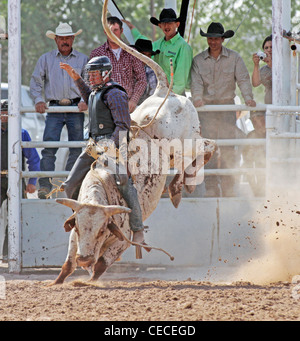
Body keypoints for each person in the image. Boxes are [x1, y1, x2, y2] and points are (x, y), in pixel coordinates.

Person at [59, 56, 147, 246]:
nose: (91, 78)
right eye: (89, 75)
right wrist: (76, 78)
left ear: (105, 73)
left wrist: (111, 148)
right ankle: (81, 218)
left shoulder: (115, 94)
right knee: (69, 186)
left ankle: (138, 228)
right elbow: (89, 96)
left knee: (123, 181)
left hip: (111, 144)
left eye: (94, 74)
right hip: (93, 146)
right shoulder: (97, 92)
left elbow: (122, 126)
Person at [191, 22, 256, 197]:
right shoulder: (198, 60)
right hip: (207, 110)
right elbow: (195, 82)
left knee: (228, 148)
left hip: (227, 108)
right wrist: (197, 97)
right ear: (207, 39)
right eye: (210, 38)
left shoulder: (234, 58)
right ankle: (212, 186)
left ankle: (228, 184)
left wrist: (248, 97)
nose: (213, 42)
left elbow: (243, 78)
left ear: (222, 39)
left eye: (216, 38)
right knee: (209, 149)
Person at [30, 23, 89, 199]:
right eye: (61, 38)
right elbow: (35, 83)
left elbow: (89, 83)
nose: (64, 41)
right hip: (54, 107)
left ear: (73, 39)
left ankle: (70, 185)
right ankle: (45, 186)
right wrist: (39, 100)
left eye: (67, 38)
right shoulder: (45, 59)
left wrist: (86, 100)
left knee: (76, 148)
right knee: (49, 147)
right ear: (56, 40)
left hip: (75, 106)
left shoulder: (83, 59)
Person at [1, 99, 40, 260]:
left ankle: (9, 253)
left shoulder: (21, 133)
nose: (4, 116)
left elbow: (33, 159)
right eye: (2, 112)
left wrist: (32, 182)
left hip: (14, 178)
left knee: (16, 216)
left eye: (6, 112)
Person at [123, 8, 193, 96]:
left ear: (177, 24)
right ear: (160, 25)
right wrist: (133, 29)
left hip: (175, 96)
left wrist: (168, 97)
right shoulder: (157, 44)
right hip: (156, 93)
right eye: (164, 23)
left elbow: (180, 82)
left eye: (170, 23)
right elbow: (144, 44)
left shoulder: (184, 47)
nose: (167, 26)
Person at [90, 16, 147, 113]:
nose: (113, 34)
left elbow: (142, 79)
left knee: (127, 128)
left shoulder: (132, 52)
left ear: (121, 30)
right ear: (105, 31)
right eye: (109, 30)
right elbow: (91, 81)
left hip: (128, 105)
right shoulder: (97, 54)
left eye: (115, 30)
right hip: (105, 106)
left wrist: (133, 100)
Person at [242, 35, 272, 196]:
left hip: (284, 113)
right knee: (255, 144)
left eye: (271, 48)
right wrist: (256, 65)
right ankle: (257, 186)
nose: (268, 51)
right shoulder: (265, 70)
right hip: (270, 111)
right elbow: (255, 82)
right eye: (266, 48)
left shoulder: (288, 66)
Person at [131, 38, 159, 104]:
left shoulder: (151, 73)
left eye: (149, 55)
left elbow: (152, 95)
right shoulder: (126, 68)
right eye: (143, 54)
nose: (146, 58)